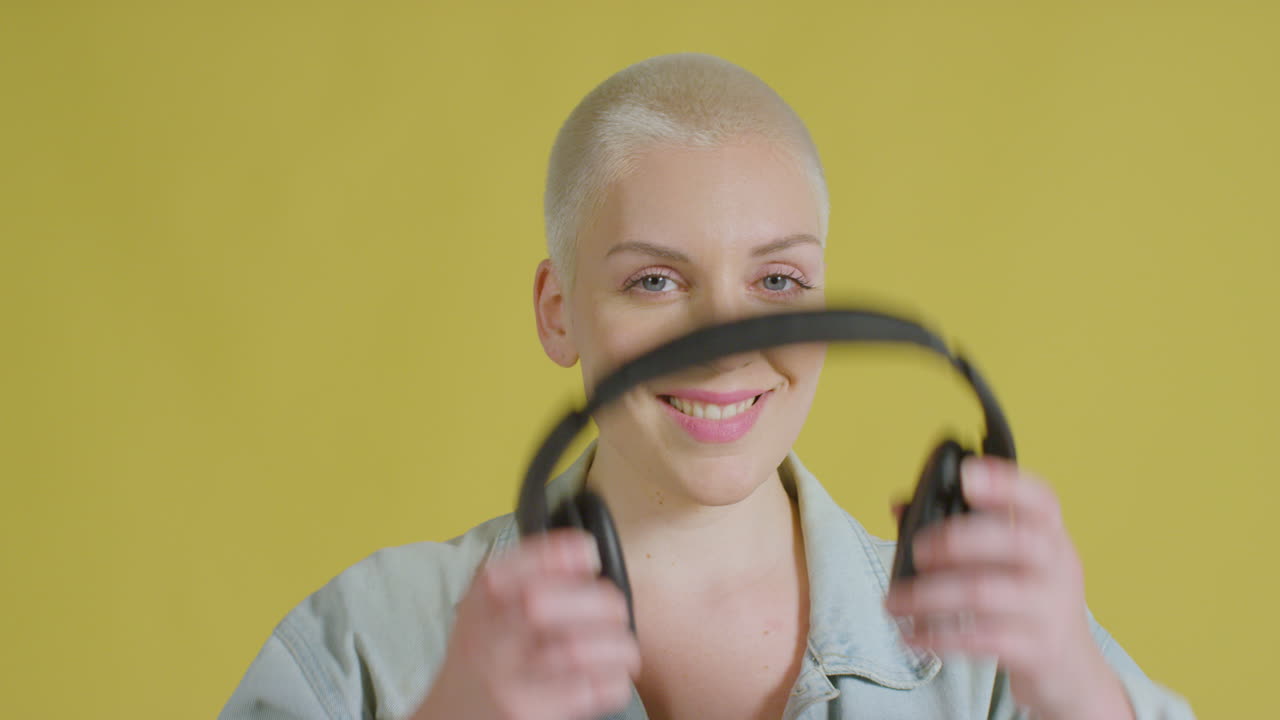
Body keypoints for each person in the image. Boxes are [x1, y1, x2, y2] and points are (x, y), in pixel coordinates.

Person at [220, 53, 1194, 720]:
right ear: (558, 312)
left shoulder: (994, 649)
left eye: (778, 283)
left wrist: (1076, 689)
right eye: (655, 281)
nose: (726, 351)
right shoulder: (370, 639)